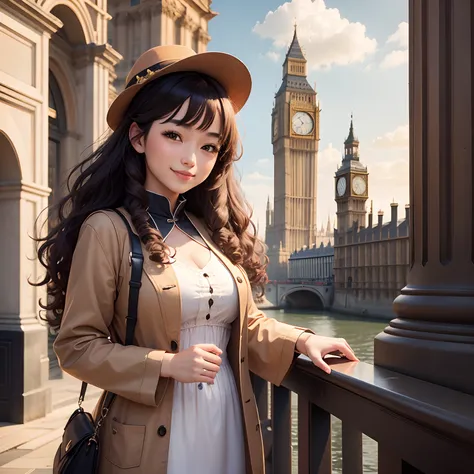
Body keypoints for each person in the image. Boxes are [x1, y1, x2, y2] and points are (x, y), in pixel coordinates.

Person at [35, 45, 358, 474]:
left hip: (227, 422)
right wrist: (167, 365)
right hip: (152, 437)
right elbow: (76, 347)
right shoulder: (107, 230)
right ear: (137, 136)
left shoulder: (208, 231)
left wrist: (301, 340)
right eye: (174, 135)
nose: (191, 159)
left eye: (208, 146)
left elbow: (243, 325)